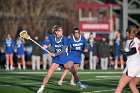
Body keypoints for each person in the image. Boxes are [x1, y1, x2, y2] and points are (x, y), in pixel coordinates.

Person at [37, 25, 87, 93]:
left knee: (74, 71)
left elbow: (63, 50)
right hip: (56, 60)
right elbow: (52, 47)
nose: (62, 32)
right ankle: (41, 88)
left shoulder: (65, 39)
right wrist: (46, 47)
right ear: (56, 32)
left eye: (62, 30)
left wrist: (55, 54)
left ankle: (80, 84)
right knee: (48, 75)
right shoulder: (52, 38)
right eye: (60, 30)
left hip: (65, 59)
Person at [114, 25, 139, 93]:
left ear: (128, 33)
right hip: (139, 67)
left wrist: (125, 52)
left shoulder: (130, 41)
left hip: (132, 66)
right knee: (132, 85)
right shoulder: (138, 41)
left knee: (120, 85)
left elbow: (134, 51)